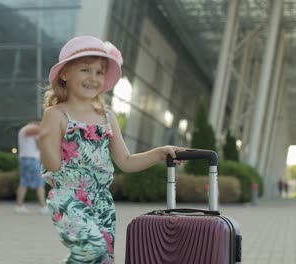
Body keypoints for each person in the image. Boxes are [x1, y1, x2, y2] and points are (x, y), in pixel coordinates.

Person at [36, 35, 184, 263]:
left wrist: (160, 152)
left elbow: (125, 161)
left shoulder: (107, 118)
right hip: (68, 198)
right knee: (93, 249)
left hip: (102, 202)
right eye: (85, 70)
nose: (93, 78)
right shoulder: (56, 114)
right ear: (65, 74)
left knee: (102, 259)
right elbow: (53, 165)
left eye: (99, 72)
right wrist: (45, 142)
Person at [14, 121, 49, 215]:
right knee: (39, 183)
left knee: (23, 183)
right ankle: (43, 206)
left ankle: (19, 206)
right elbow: (39, 143)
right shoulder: (29, 129)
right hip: (31, 160)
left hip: (26, 159)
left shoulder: (28, 132)